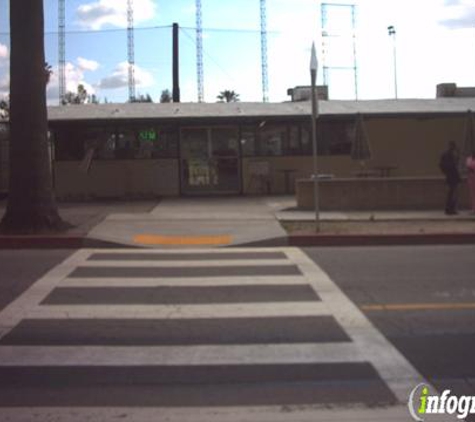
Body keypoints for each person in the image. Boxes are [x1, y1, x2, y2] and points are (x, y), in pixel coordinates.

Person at [439, 141, 461, 215]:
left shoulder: (448, 154)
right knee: (452, 193)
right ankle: (450, 209)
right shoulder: (448, 155)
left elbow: (441, 165)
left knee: (451, 193)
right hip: (452, 176)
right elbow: (445, 165)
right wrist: (447, 172)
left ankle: (450, 209)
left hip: (451, 176)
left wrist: (446, 172)